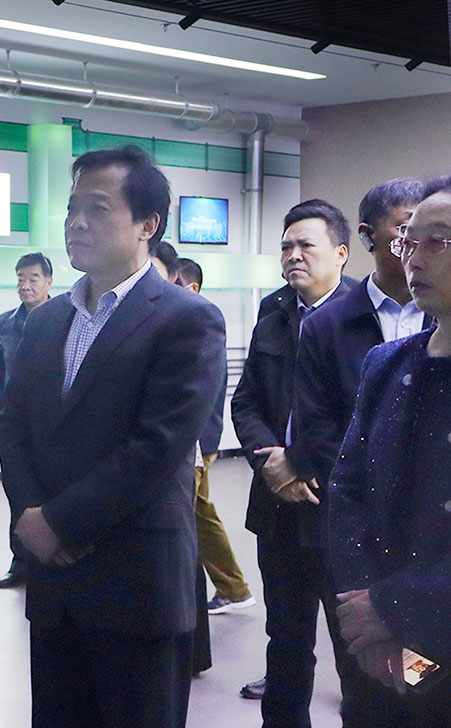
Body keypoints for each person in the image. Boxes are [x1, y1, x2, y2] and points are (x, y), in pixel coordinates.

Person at [0, 145, 225, 728]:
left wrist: (58, 522)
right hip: (54, 581)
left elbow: (158, 447)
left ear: (148, 224)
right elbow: (13, 422)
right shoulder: (47, 320)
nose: (76, 222)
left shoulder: (185, 318)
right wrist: (29, 513)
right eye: (72, 209)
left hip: (136, 580)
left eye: (97, 209)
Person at [287, 179, 429, 724]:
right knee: (369, 681)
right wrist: (383, 494)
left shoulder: (440, 323)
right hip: (359, 533)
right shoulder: (329, 324)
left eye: (434, 237)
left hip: (429, 545)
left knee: (426, 677)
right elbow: (319, 432)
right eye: (406, 230)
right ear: (369, 237)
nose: (414, 247)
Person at [328, 178, 451, 726]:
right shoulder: (387, 364)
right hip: (380, 645)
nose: (413, 259)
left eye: (437, 242)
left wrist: (394, 607)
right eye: (408, 241)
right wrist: (368, 617)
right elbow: (348, 491)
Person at [230, 199, 357, 722]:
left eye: (307, 245)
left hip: (342, 511)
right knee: (285, 640)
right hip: (279, 508)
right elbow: (246, 402)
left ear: (341, 253)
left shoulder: (363, 318)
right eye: (286, 246)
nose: (294, 255)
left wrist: (302, 464)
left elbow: (366, 416)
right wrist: (271, 465)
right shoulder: (274, 311)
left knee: (357, 648)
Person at [173, 258, 255, 616]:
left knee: (189, 513)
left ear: (191, 288)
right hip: (198, 440)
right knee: (201, 511)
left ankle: (229, 588)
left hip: (197, 441)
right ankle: (233, 588)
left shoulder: (200, 324)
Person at [0, 252, 53, 589]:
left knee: (50, 490)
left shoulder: (64, 316)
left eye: (33, 278)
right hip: (13, 423)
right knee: (17, 491)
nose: (25, 285)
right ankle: (20, 562)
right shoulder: (7, 321)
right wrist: (0, 405)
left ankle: (49, 558)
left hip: (52, 424)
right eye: (20, 279)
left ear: (48, 282)